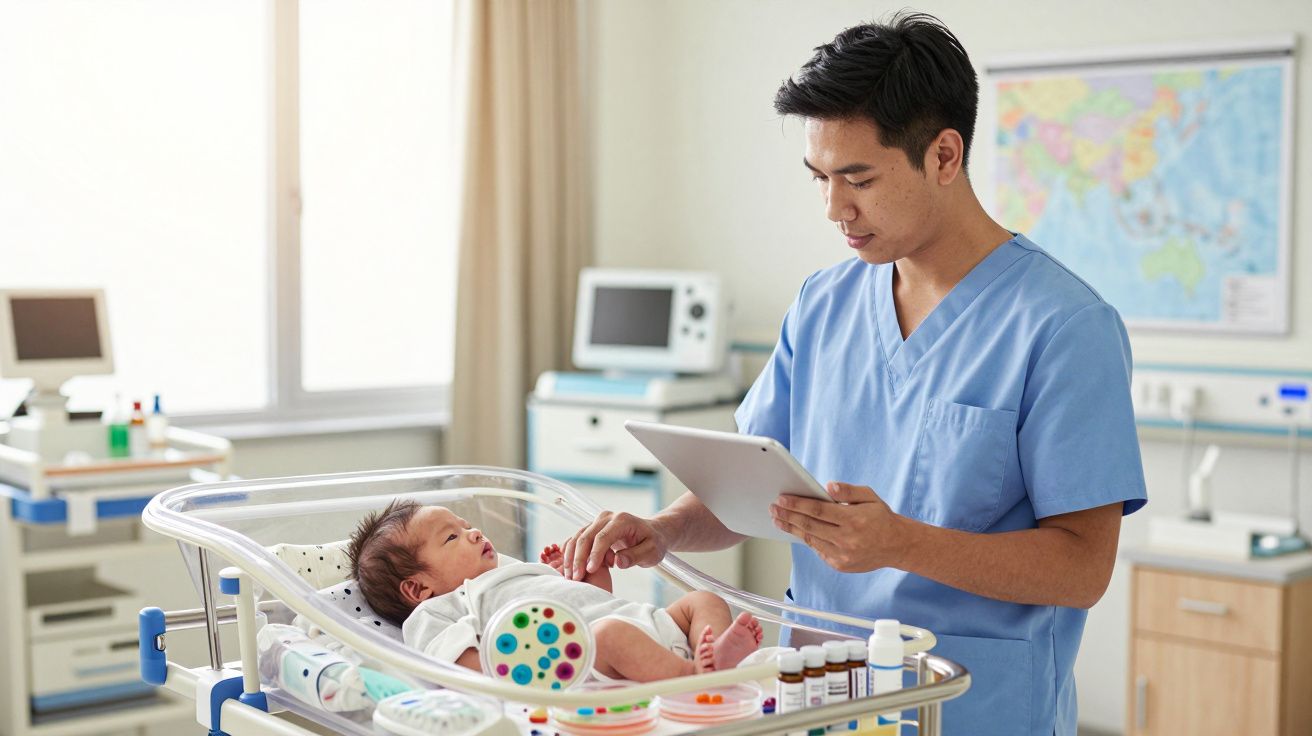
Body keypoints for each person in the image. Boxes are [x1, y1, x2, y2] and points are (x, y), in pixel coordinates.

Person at [559, 12, 1147, 735]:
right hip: (818, 695)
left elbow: (1082, 570)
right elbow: (754, 493)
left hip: (969, 704)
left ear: (944, 155)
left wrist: (902, 544)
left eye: (858, 178)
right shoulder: (823, 304)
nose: (835, 208)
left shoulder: (1064, 327)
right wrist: (663, 529)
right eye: (820, 179)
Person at [346, 500, 763, 683]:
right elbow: (468, 668)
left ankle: (713, 652)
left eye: (466, 525)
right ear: (418, 588)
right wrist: (525, 680)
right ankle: (692, 678)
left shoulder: (514, 573)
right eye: (451, 537)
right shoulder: (439, 611)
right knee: (608, 635)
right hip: (594, 659)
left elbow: (598, 601)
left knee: (703, 601)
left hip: (645, 626)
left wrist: (588, 573)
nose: (473, 533)